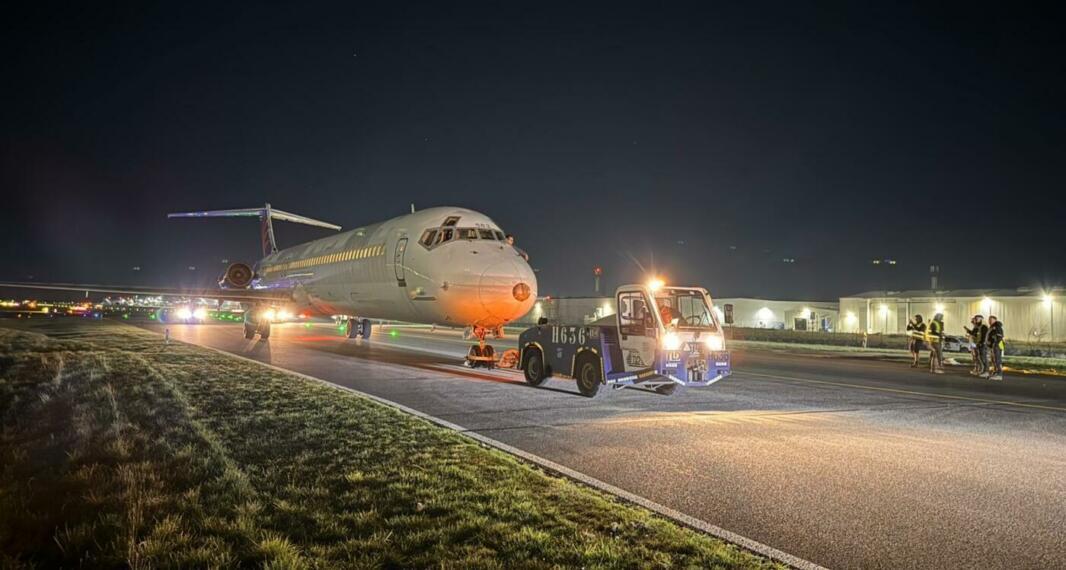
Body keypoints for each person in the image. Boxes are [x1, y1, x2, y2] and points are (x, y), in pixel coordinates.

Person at [986, 316, 1005, 380]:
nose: (990, 321)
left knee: (997, 360)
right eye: (989, 320)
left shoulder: (997, 327)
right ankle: (995, 372)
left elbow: (999, 337)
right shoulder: (992, 327)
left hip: (997, 345)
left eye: (991, 320)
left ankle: (999, 374)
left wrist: (995, 343)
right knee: (993, 360)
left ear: (995, 320)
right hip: (994, 345)